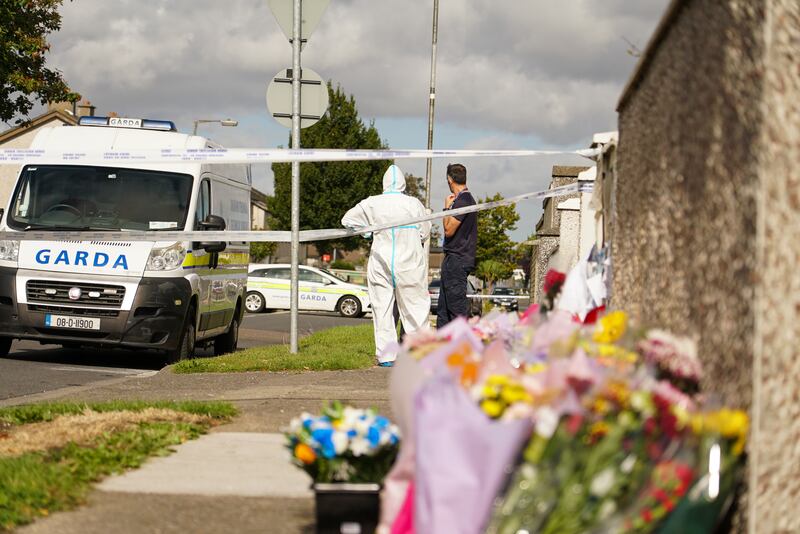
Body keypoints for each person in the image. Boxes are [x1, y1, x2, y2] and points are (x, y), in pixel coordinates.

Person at [342, 164, 431, 367]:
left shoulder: (372, 203)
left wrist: (366, 231)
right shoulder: (413, 203)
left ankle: (386, 355)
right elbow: (425, 232)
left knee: (382, 308)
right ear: (402, 183)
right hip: (409, 260)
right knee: (415, 306)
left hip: (381, 260)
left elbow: (347, 220)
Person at [437, 163, 477, 328]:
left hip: (457, 261)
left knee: (456, 311)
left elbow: (448, 230)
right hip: (452, 260)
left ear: (449, 179)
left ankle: (463, 349)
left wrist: (446, 207)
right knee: (443, 310)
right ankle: (442, 349)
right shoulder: (462, 201)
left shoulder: (464, 200)